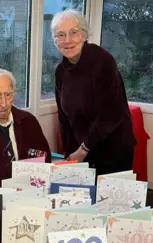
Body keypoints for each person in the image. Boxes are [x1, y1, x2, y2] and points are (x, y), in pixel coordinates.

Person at [51, 9, 137, 176]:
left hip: (113, 150)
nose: (67, 40)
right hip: (82, 152)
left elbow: (110, 114)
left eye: (73, 33)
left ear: (84, 35)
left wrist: (83, 150)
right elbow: (64, 117)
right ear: (55, 40)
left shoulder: (103, 61)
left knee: (111, 201)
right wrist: (70, 153)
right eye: (60, 35)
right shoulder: (60, 71)